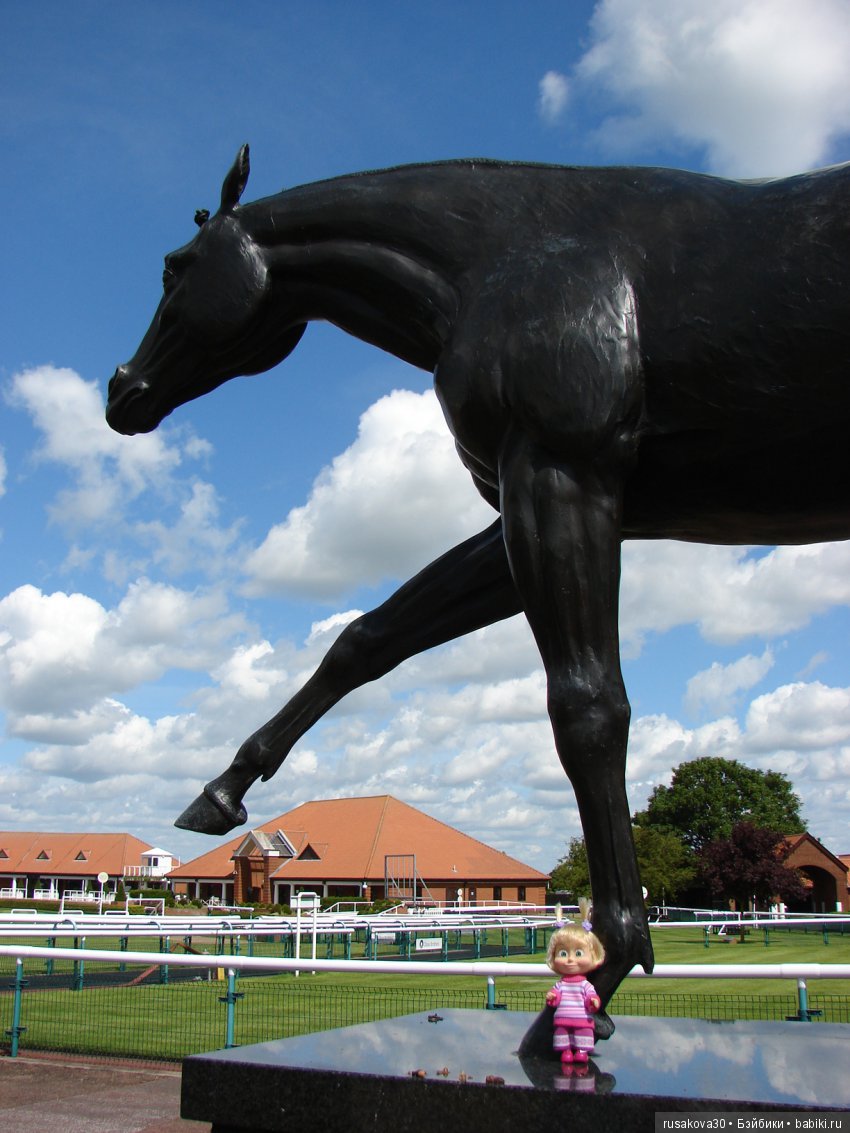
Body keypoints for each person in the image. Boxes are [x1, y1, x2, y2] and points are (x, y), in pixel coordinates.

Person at [545, 898, 605, 1063]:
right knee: (562, 1035)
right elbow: (555, 996)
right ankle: (566, 1052)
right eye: (563, 954)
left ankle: (582, 1051)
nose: (570, 960)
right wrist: (552, 997)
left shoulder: (584, 984)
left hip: (582, 1019)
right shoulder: (561, 984)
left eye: (578, 954)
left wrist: (593, 1001)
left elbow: (590, 995)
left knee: (583, 1034)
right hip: (562, 1018)